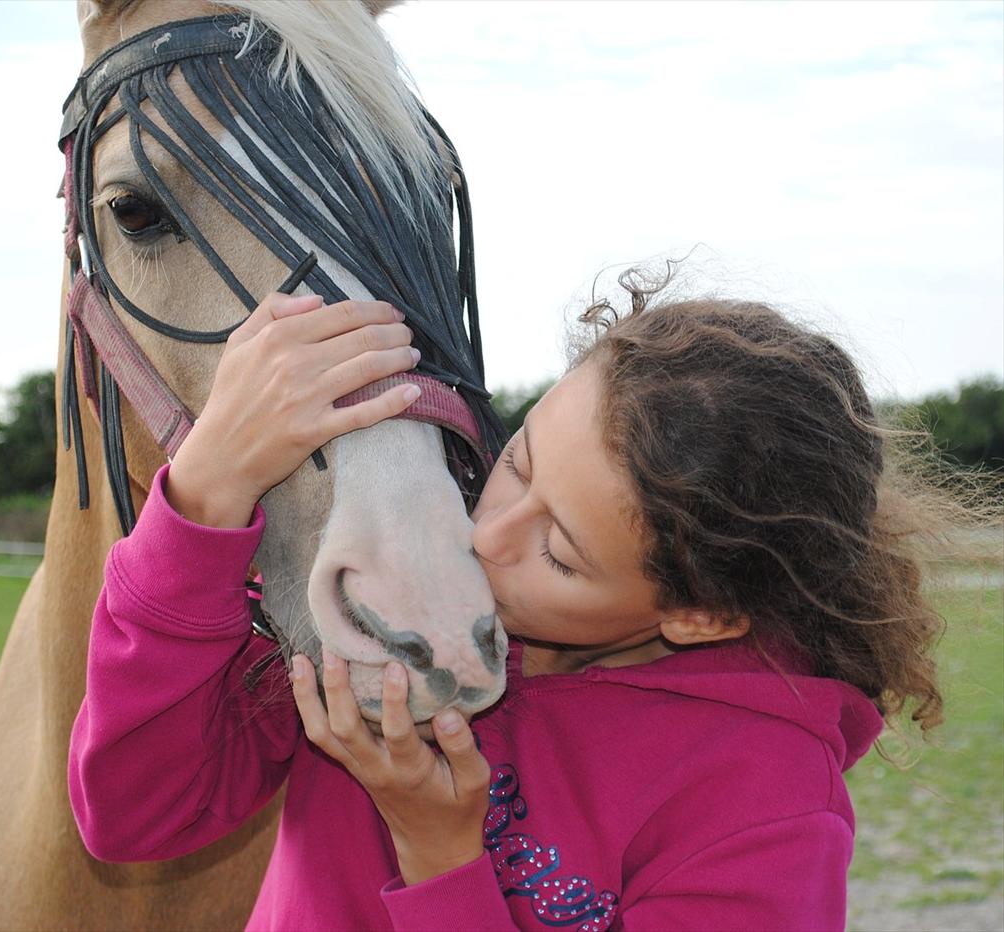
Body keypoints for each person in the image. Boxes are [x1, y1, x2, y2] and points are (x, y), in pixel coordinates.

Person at [68, 277, 950, 931]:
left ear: (701, 614)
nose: (485, 537)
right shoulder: (396, 595)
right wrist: (204, 493)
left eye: (558, 553)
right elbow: (134, 810)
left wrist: (439, 855)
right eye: (519, 462)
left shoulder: (769, 809)